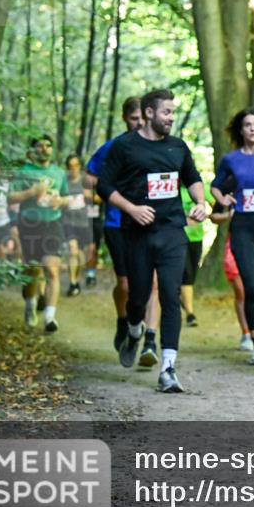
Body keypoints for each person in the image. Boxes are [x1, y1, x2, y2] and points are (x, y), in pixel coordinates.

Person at [96, 89, 208, 392]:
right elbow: (104, 186)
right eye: (166, 112)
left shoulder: (177, 147)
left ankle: (168, 368)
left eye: (172, 112)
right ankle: (134, 330)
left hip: (172, 232)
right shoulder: (125, 147)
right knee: (138, 296)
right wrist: (131, 208)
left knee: (170, 296)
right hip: (138, 234)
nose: (171, 118)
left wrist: (201, 202)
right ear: (149, 113)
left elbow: (192, 178)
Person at [86, 97, 161, 353]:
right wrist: (106, 191)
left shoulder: (157, 146)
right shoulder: (113, 147)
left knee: (151, 283)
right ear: (124, 119)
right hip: (117, 222)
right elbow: (89, 176)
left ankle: (149, 340)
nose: (139, 123)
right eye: (133, 118)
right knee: (126, 285)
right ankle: (123, 320)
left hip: (150, 221)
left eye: (142, 118)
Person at [210, 109, 254, 365]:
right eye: (247, 125)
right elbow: (215, 186)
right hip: (241, 226)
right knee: (249, 287)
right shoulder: (231, 160)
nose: (251, 128)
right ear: (240, 130)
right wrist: (223, 199)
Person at [8, 135, 70, 333]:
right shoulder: (24, 172)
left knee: (51, 271)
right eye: (40, 146)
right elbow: (10, 197)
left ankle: (50, 317)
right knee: (32, 271)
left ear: (52, 149)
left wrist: (60, 201)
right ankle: (30, 305)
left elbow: (68, 197)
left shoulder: (59, 173)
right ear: (33, 150)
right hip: (29, 225)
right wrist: (31, 192)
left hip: (53, 224)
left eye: (48, 146)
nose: (44, 149)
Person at [210, 204, 252, 351]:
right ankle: (246, 332)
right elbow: (213, 216)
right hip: (235, 241)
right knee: (241, 291)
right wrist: (229, 215)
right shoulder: (229, 186)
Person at [179, 184, 211, 327]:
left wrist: (209, 214)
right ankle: (190, 314)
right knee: (186, 275)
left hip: (197, 238)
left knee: (191, 275)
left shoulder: (199, 188)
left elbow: (214, 201)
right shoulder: (174, 189)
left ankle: (182, 304)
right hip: (178, 237)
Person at [62, 154, 92, 296]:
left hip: (83, 222)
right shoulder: (64, 182)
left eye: (76, 165)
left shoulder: (86, 181)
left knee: (80, 256)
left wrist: (90, 195)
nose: (73, 169)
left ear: (80, 167)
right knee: (72, 251)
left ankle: (77, 280)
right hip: (68, 222)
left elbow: (99, 198)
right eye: (70, 166)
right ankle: (72, 282)